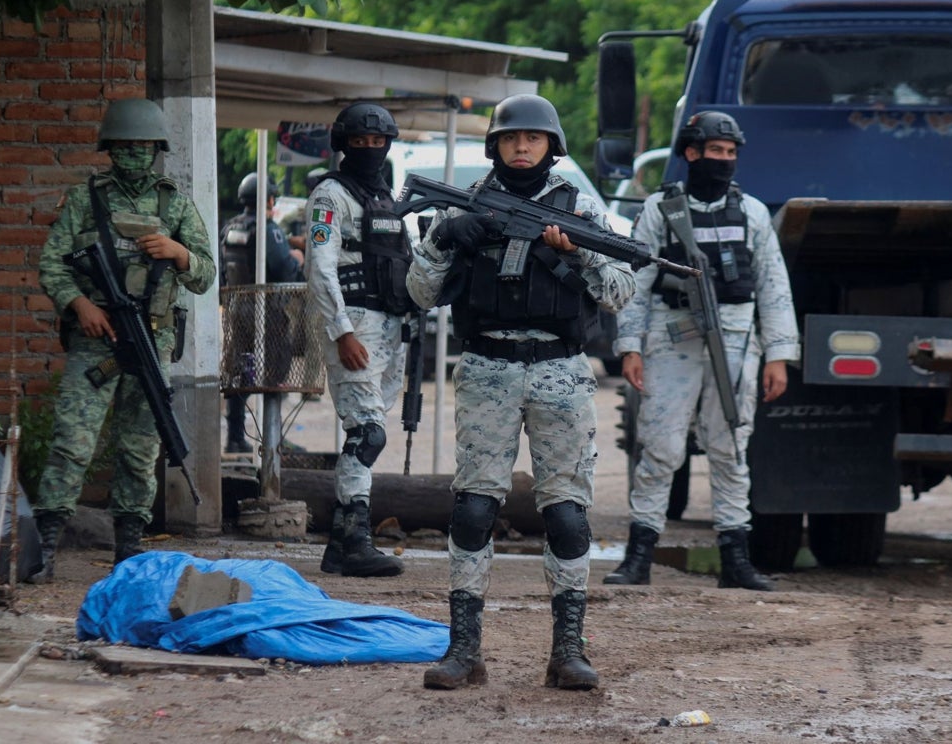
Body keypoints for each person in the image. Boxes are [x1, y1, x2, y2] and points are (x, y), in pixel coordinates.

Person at [407, 94, 636, 691]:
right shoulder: (466, 202)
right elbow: (420, 292)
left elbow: (619, 290)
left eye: (533, 139)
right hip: (487, 366)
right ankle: (464, 651)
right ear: (496, 145)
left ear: (551, 146)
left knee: (565, 515)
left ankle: (568, 651)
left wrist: (578, 249)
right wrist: (446, 237)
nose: (522, 147)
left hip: (560, 370)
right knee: (474, 507)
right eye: (512, 138)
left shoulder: (579, 205)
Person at [603, 111, 800, 591]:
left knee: (730, 447)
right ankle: (638, 556)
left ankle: (736, 559)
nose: (725, 161)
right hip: (673, 340)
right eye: (716, 152)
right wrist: (630, 346)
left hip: (735, 341)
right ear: (691, 154)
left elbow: (774, 287)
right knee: (660, 447)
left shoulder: (751, 212)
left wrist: (778, 354)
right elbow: (638, 280)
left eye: (731, 154)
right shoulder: (660, 210)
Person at [29, 98, 216, 583]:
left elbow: (205, 275)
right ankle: (45, 549)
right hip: (96, 339)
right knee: (72, 441)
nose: (134, 153)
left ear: (157, 148)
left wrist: (178, 253)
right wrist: (80, 305)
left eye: (142, 145)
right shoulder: (84, 199)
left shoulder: (174, 202)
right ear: (110, 148)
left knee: (140, 448)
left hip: (150, 341)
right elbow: (52, 262)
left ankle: (128, 554)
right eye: (125, 145)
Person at [304, 101, 412, 578]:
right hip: (353, 326)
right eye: (360, 142)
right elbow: (320, 268)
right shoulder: (330, 195)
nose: (370, 149)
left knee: (370, 431)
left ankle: (340, 545)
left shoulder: (387, 198)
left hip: (390, 326)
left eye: (378, 142)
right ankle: (355, 541)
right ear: (343, 144)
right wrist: (342, 331)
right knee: (367, 433)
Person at [220, 173, 304, 454]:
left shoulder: (230, 227)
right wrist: (297, 259)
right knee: (275, 372)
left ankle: (235, 437)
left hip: (236, 310)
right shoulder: (268, 229)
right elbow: (284, 269)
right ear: (268, 199)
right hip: (268, 313)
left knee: (240, 372)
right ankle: (272, 439)